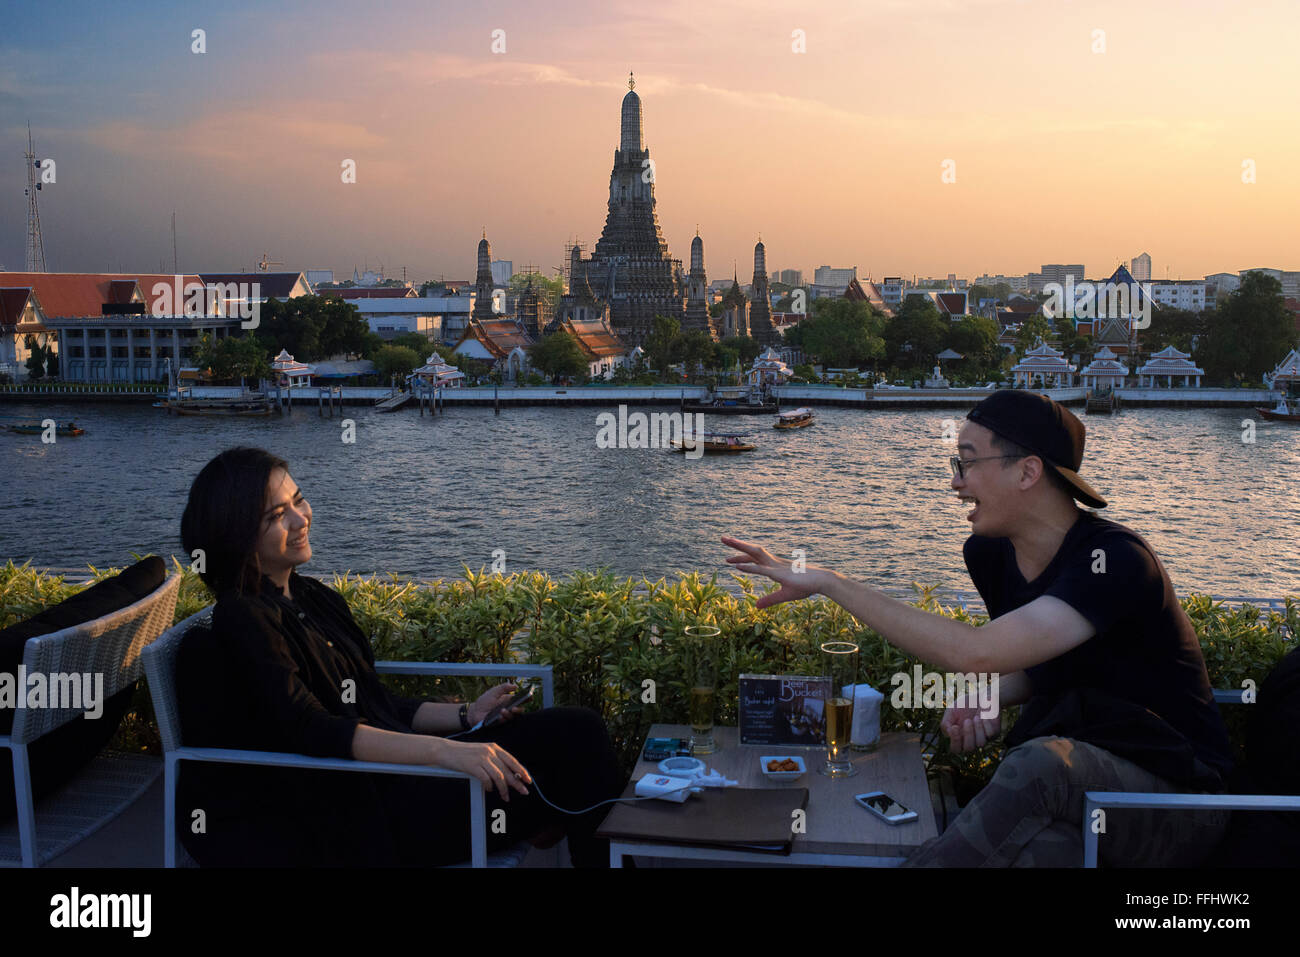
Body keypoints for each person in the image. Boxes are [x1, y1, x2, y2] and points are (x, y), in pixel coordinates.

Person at [724, 390, 1233, 867]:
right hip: (1095, 791)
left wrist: (829, 581)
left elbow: (978, 653)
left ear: (1028, 471)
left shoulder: (1113, 560)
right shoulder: (990, 554)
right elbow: (1047, 666)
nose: (955, 482)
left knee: (1042, 764)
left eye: (967, 462)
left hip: (1180, 797)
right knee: (1041, 854)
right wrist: (988, 699)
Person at [177, 446, 625, 866]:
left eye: (299, 500)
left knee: (578, 730)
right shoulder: (245, 619)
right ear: (236, 535)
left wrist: (469, 716)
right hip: (361, 808)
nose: (301, 519)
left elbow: (374, 701)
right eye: (278, 514)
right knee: (567, 783)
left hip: (393, 773)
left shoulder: (311, 597)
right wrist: (444, 754)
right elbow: (313, 730)